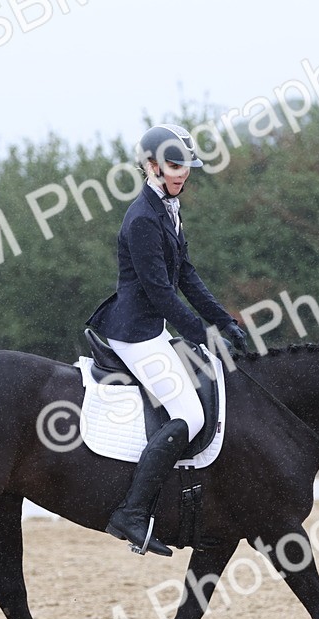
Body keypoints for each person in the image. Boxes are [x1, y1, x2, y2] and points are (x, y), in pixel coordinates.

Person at [86, 123, 247, 556]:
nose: (182, 174)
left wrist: (224, 321)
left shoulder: (168, 209)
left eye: (187, 166)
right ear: (151, 165)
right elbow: (160, 293)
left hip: (153, 328)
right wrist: (204, 335)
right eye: (174, 166)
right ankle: (132, 514)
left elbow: (187, 275)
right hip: (134, 332)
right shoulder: (142, 218)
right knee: (190, 414)